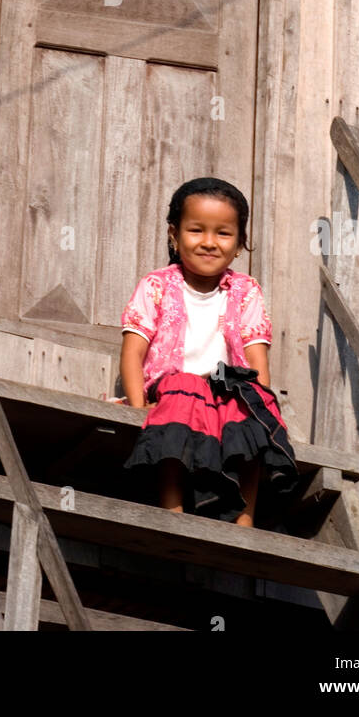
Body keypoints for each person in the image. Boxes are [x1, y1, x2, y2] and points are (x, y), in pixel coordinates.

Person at [120, 177, 299, 526]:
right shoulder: (157, 286)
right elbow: (132, 353)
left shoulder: (245, 291)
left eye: (223, 233)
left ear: (240, 243)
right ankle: (172, 511)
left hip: (225, 391)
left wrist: (259, 403)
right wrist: (138, 408)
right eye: (196, 230)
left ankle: (244, 521)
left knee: (247, 412)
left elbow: (256, 361)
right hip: (173, 388)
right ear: (174, 234)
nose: (208, 243)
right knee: (185, 388)